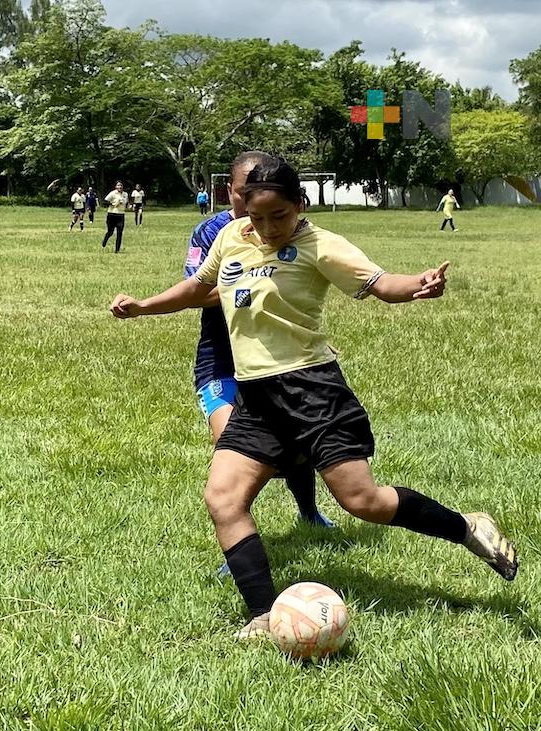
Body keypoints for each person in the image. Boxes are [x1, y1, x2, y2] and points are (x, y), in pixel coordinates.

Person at [110, 157, 517, 639]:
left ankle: (466, 527)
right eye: (256, 218)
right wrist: (143, 307)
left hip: (313, 391)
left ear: (299, 205)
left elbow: (381, 284)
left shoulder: (322, 244)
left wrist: (417, 286)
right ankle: (263, 614)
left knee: (362, 501)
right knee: (223, 498)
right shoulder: (231, 237)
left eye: (277, 216)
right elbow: (199, 287)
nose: (266, 228)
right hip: (257, 399)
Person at [185, 152, 332, 581]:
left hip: (279, 361)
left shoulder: (287, 229)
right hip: (220, 361)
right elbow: (198, 288)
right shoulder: (212, 231)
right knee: (231, 450)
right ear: (230, 190)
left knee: (295, 448)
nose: (250, 202)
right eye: (241, 192)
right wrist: (248, 281)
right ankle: (238, 551)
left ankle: (309, 512)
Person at [101, 182, 129, 253]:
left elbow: (127, 203)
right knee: (110, 232)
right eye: (118, 185)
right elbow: (104, 202)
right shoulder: (112, 193)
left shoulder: (125, 194)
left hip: (121, 215)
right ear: (116, 187)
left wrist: (129, 206)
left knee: (120, 233)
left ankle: (117, 250)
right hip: (112, 215)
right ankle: (105, 239)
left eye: (121, 185)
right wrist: (112, 204)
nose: (120, 186)